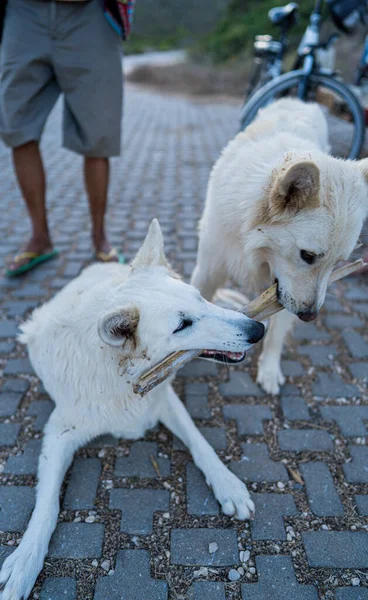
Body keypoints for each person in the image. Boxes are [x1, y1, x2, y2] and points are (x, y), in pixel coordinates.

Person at [0, 0, 134, 277]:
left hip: (91, 13)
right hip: (23, 12)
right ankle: (40, 237)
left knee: (99, 134)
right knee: (17, 126)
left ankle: (99, 236)